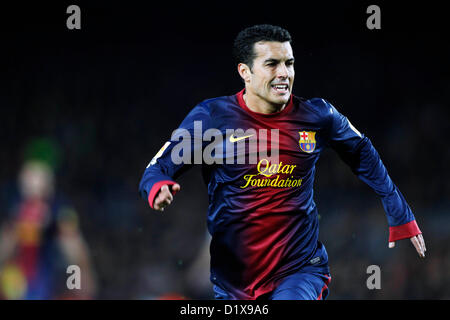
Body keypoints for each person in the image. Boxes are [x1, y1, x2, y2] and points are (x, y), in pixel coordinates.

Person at [138, 24, 426, 300]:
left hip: (300, 269)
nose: (284, 73)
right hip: (235, 282)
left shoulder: (318, 115)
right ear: (245, 72)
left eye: (289, 63)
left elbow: (363, 152)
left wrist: (398, 209)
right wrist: (158, 186)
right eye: (272, 64)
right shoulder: (212, 118)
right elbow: (159, 166)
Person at [0, 159, 97, 299]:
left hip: (48, 277)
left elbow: (74, 246)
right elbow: (6, 243)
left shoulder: (59, 210)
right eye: (27, 182)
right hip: (21, 279)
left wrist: (82, 277)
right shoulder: (16, 208)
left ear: (48, 187)